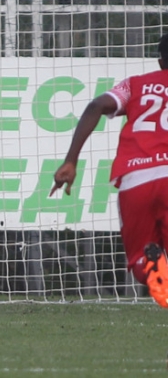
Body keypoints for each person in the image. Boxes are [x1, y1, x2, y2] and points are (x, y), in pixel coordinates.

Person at [51, 33, 168, 309]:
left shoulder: (136, 85)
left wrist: (71, 160)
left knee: (139, 255)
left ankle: (151, 264)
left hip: (136, 179)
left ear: (160, 59)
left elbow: (96, 106)